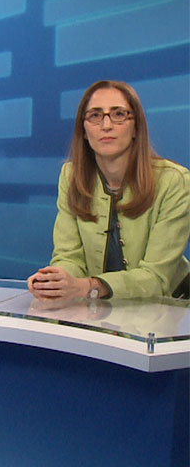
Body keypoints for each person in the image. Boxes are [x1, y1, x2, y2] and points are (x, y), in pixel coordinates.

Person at [28, 80, 190, 301]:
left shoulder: (175, 181)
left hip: (167, 309)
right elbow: (69, 257)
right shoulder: (71, 176)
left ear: (136, 127)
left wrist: (91, 286)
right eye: (95, 115)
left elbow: (156, 278)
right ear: (83, 130)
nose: (106, 125)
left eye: (119, 114)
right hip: (102, 309)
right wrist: (56, 280)